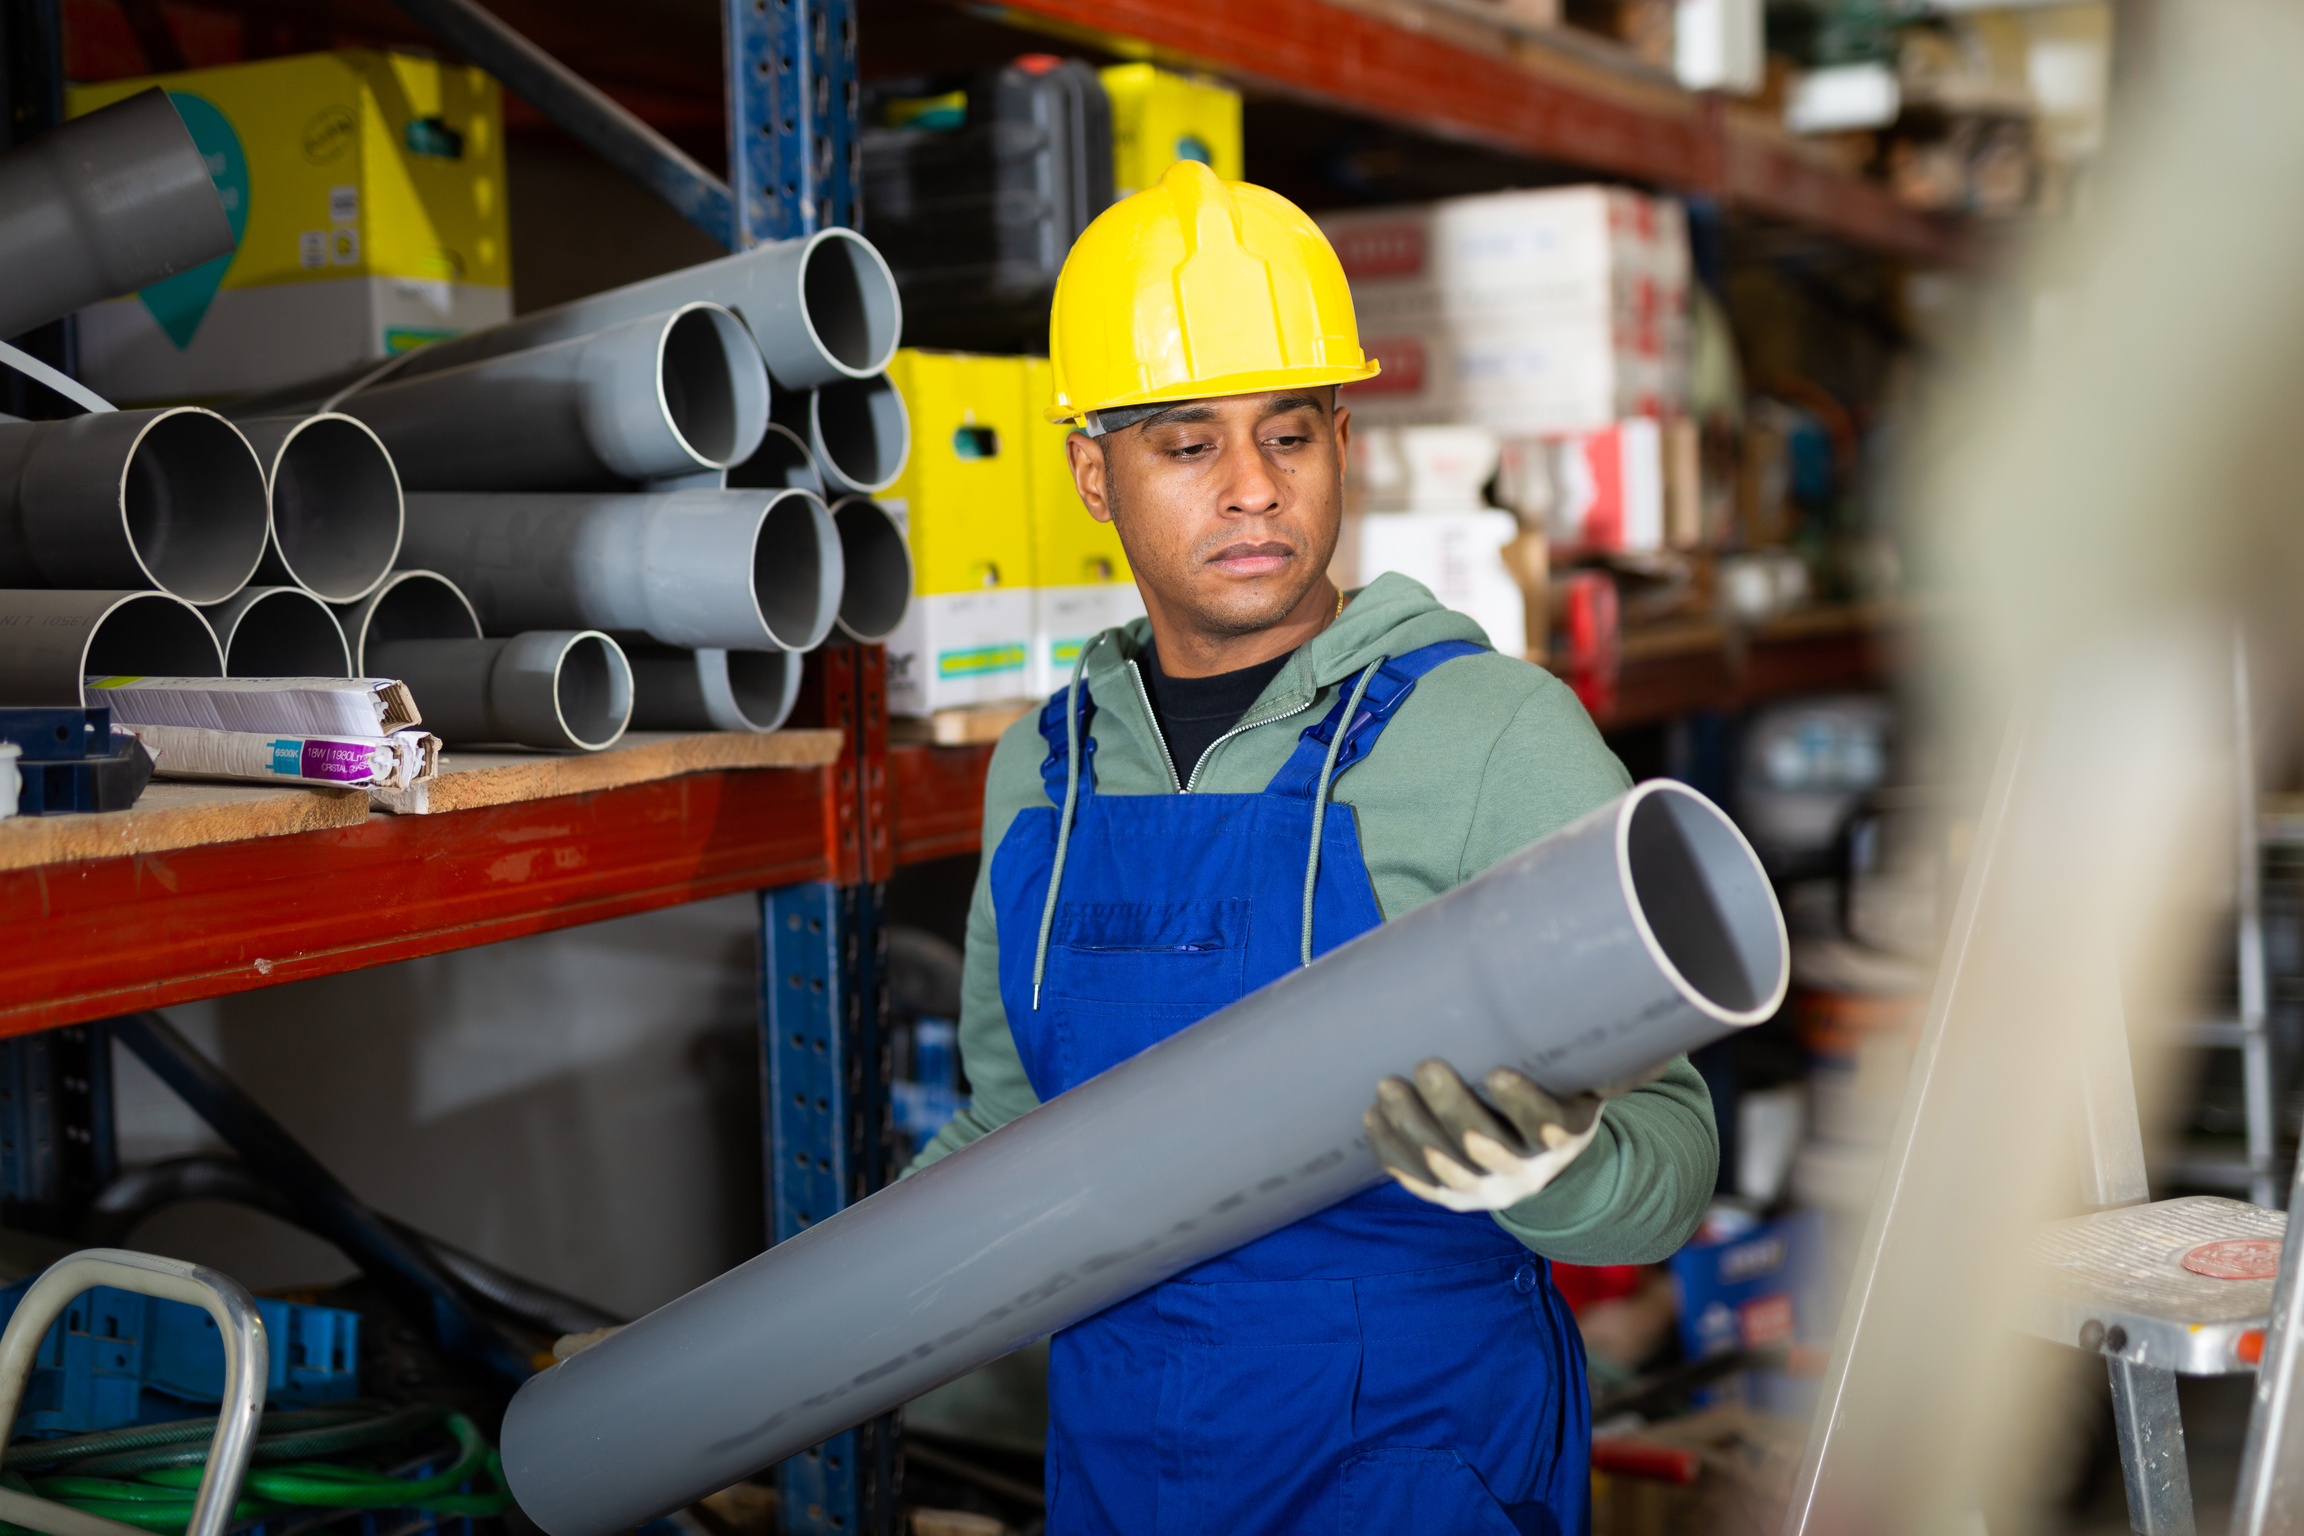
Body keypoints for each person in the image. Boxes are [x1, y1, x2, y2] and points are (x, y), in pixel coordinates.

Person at [908, 159, 1718, 1536]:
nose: (1251, 492)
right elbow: (1008, 1132)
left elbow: (1671, 1158)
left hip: (1414, 1463)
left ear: (1344, 441)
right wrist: (784, 1328)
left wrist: (1555, 1170)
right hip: (1125, 1461)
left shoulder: (1493, 738)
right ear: (1092, 476)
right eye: (1187, 445)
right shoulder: (1041, 773)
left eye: (1289, 435)